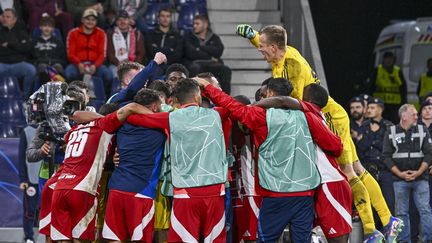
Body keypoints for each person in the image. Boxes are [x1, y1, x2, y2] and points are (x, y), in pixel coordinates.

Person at [236, 23, 402, 242]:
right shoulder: (281, 52)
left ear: (275, 47)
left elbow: (293, 102)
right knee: (358, 169)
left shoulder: (292, 66)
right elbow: (267, 41)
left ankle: (371, 230)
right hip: (333, 113)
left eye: (263, 48)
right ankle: (387, 220)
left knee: (349, 172)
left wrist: (260, 105)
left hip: (328, 116)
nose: (261, 51)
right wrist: (252, 36)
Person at [192, 77, 320, 242]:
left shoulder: (261, 116)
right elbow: (335, 145)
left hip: (276, 193)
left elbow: (233, 106)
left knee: (265, 240)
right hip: (305, 193)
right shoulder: (308, 115)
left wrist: (208, 88)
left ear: (270, 93)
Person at [127, 78, 230, 243]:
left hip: (185, 193)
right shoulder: (218, 114)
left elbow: (133, 119)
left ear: (176, 99)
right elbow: (230, 104)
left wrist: (132, 108)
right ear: (198, 97)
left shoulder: (170, 118)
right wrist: (208, 86)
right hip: (215, 191)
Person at [49, 98, 150, 242]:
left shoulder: (74, 130)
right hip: (82, 188)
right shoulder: (106, 124)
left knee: (62, 240)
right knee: (83, 239)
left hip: (59, 188)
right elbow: (131, 107)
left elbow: (76, 115)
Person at [101, 89, 166, 242]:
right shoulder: (161, 126)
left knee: (114, 238)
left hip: (116, 188)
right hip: (142, 191)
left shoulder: (122, 124)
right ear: (155, 107)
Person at [382, 104, 432, 243]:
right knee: (401, 213)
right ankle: (404, 241)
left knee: (425, 210)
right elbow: (386, 156)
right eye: (414, 114)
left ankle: (428, 240)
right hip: (399, 180)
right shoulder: (391, 131)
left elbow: (429, 154)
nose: (417, 116)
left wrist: (418, 172)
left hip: (421, 178)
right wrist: (400, 174)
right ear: (404, 116)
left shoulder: (423, 130)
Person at [355, 98, 395, 219]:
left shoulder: (389, 126)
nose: (369, 110)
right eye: (368, 108)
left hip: (385, 170)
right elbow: (360, 148)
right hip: (368, 170)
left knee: (388, 203)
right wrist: (372, 135)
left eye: (372, 108)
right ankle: (374, 234)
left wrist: (372, 140)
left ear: (380, 109)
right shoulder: (364, 126)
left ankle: (389, 234)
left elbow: (389, 149)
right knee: (370, 204)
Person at [65, 8, 113, 97]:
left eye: (93, 20)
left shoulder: (101, 33)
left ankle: (104, 98)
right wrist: (78, 64)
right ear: (82, 20)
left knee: (108, 75)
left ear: (96, 21)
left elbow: (102, 54)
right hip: (78, 63)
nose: (90, 22)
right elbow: (70, 53)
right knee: (69, 72)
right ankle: (72, 97)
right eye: (87, 19)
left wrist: (95, 65)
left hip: (95, 64)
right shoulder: (73, 33)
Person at [184, 14, 231, 94]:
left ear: (205, 25)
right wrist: (210, 56)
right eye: (194, 24)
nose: (194, 26)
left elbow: (219, 51)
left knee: (226, 70)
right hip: (196, 64)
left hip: (212, 64)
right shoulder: (189, 37)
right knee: (195, 68)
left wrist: (200, 47)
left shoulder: (214, 37)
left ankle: (225, 97)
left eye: (197, 23)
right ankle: (196, 96)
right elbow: (191, 53)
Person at [0, 8, 36, 99]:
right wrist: (17, 46)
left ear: (14, 19)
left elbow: (27, 49)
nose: (4, 19)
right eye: (3, 16)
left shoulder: (22, 32)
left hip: (18, 64)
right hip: (2, 64)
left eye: (8, 17)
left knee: (31, 70)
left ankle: (24, 99)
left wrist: (9, 44)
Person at [18, 124, 43, 243]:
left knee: (48, 209)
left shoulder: (54, 128)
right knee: (29, 210)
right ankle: (28, 236)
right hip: (32, 179)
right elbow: (21, 157)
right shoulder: (27, 131)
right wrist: (23, 179)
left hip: (48, 178)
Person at [369, 52, 407, 123]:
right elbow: (371, 86)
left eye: (391, 59)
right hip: (380, 103)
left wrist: (404, 101)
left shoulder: (397, 71)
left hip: (395, 104)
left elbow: (403, 88)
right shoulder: (378, 70)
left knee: (394, 122)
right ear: (384, 60)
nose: (389, 61)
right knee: (379, 122)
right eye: (387, 58)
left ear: (393, 60)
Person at [106, 10, 145, 79]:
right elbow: (110, 53)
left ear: (129, 20)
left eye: (125, 19)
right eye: (120, 20)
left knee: (140, 75)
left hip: (134, 64)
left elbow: (141, 53)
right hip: (116, 64)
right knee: (113, 74)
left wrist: (133, 65)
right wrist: (119, 63)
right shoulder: (111, 34)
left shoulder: (137, 33)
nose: (122, 22)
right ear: (116, 22)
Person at [145, 7, 183, 73]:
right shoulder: (150, 34)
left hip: (170, 66)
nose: (165, 19)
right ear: (158, 18)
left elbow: (177, 55)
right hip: (154, 65)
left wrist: (158, 50)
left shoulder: (177, 35)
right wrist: (169, 50)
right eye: (163, 16)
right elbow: (151, 52)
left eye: (168, 16)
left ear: (171, 18)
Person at [32, 14, 67, 82]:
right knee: (42, 67)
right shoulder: (35, 42)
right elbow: (32, 57)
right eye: (45, 26)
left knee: (58, 67)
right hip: (41, 64)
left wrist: (54, 63)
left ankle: (60, 90)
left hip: (55, 64)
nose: (47, 28)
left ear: (53, 29)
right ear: (40, 27)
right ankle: (47, 90)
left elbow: (63, 58)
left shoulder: (58, 42)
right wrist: (38, 62)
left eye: (50, 26)